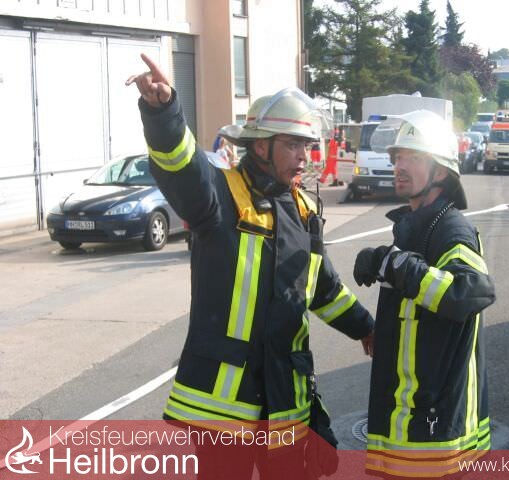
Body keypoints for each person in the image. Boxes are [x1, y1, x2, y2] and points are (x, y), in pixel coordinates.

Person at [126, 53, 374, 479]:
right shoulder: (219, 196)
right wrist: (163, 112)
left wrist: (366, 328)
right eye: (292, 145)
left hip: (285, 403)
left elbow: (323, 288)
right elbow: (182, 168)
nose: (304, 156)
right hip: (223, 409)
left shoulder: (303, 210)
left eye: (306, 145)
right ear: (260, 146)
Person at [352, 110, 496, 478]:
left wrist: (398, 265)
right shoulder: (415, 227)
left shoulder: (451, 231)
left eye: (413, 157)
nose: (399, 166)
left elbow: (467, 293)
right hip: (410, 423)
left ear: (441, 172)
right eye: (397, 157)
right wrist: (387, 261)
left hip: (434, 432)